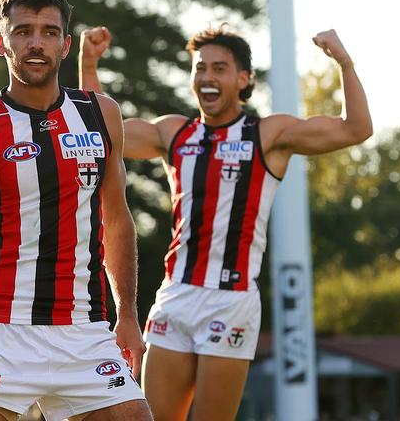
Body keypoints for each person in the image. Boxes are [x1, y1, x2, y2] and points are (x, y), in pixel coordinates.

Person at [79, 24, 372, 421]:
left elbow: (356, 128)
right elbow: (98, 131)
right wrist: (89, 62)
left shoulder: (267, 134)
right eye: (200, 68)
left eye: (219, 68)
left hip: (231, 301)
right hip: (176, 295)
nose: (207, 77)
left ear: (243, 79)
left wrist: (344, 61)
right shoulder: (174, 133)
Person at [0, 0, 153, 421]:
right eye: (23, 31)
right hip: (0, 330)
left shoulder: (100, 113)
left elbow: (117, 218)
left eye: (49, 32)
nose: (36, 43)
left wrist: (127, 312)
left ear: (65, 45)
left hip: (84, 331)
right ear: (1, 42)